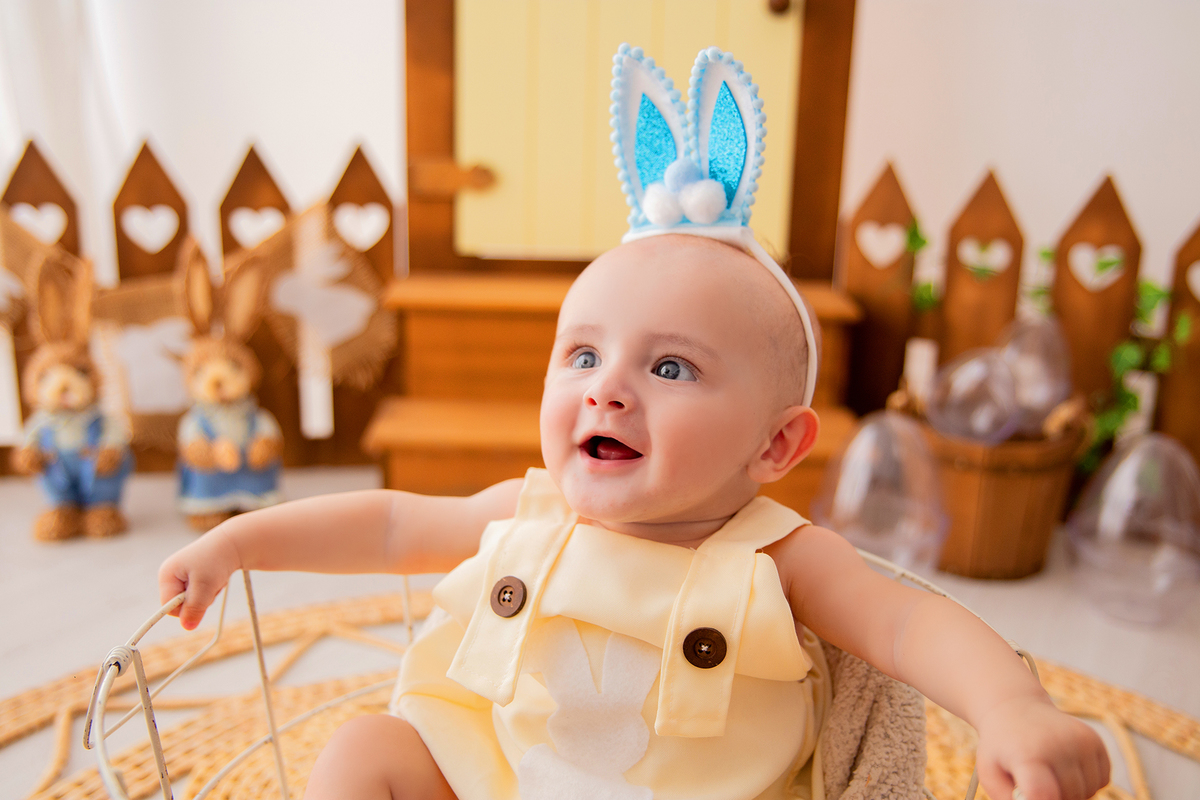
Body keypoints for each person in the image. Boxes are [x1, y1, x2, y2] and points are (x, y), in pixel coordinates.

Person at [159, 45, 1109, 800]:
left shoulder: (777, 558)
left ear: (776, 445)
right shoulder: (529, 512)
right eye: (582, 356)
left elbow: (909, 625)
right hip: (505, 781)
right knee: (365, 752)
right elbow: (390, 525)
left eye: (670, 367)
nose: (605, 391)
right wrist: (241, 543)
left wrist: (1011, 708)